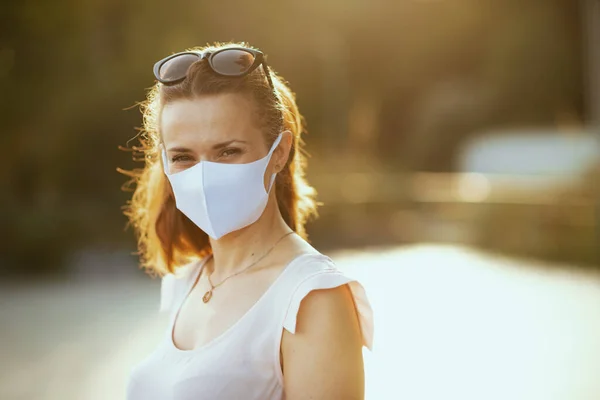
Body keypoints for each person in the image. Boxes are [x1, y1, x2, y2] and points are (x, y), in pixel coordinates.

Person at [123, 42, 373, 400]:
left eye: (227, 151)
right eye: (183, 156)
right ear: (164, 162)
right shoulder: (188, 281)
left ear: (279, 153)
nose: (204, 174)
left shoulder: (312, 299)